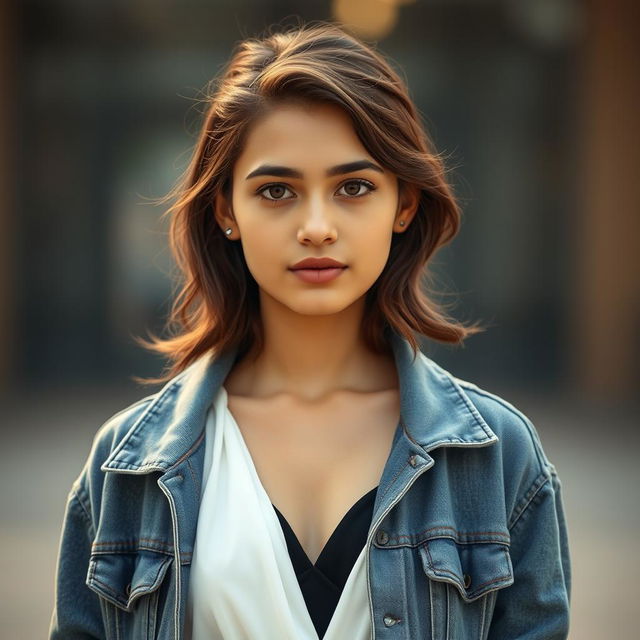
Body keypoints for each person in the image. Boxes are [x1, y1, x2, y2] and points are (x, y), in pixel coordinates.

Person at [49, 20, 571, 640]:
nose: (317, 226)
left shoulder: (499, 458)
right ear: (226, 211)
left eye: (353, 187)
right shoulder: (125, 466)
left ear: (403, 204)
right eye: (276, 191)